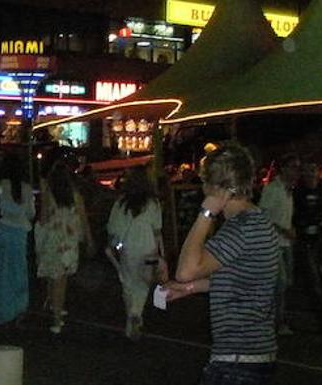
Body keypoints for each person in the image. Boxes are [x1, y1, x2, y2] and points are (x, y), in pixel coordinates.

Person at [163, 143, 279, 385]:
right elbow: (242, 280)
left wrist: (206, 213)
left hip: (237, 361)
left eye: (205, 182)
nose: (202, 187)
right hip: (253, 356)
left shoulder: (241, 228)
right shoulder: (258, 221)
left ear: (215, 187)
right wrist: (190, 289)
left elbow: (185, 271)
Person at [106, 166, 163, 340]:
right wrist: (163, 254)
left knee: (128, 282)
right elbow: (157, 231)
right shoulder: (153, 203)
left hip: (128, 248)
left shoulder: (121, 203)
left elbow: (112, 229)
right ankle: (137, 313)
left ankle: (131, 314)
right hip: (149, 248)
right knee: (143, 284)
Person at [35, 163, 82, 334]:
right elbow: (82, 217)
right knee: (62, 280)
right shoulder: (74, 196)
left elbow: (43, 218)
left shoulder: (49, 195)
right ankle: (57, 313)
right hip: (69, 242)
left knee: (53, 277)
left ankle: (54, 308)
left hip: (52, 241)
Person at [293, 160, 322, 333]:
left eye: (312, 170)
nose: (309, 174)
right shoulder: (298, 191)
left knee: (317, 277)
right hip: (303, 238)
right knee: (312, 279)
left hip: (319, 237)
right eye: (306, 171)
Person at [0, 154, 35, 325]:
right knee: (19, 271)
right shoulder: (27, 188)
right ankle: (20, 307)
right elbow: (31, 213)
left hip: (1, 231)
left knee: (1, 272)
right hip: (20, 233)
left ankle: (3, 310)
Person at [259, 153, 300, 336]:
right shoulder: (272, 190)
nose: (296, 172)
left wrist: (289, 228)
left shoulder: (288, 190)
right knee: (280, 282)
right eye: (293, 167)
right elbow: (264, 215)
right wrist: (283, 229)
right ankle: (277, 321)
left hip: (285, 242)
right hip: (273, 242)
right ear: (283, 169)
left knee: (285, 283)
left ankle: (276, 318)